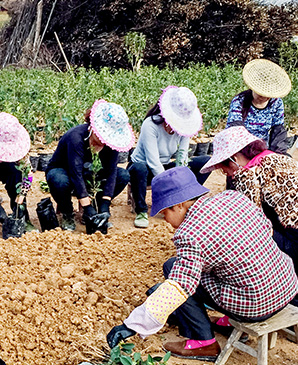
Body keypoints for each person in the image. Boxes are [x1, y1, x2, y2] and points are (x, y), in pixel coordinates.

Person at [107, 167, 298, 362]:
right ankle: (226, 322)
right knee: (203, 270)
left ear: (179, 205)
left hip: (255, 306)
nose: (165, 220)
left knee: (173, 268)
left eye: (165, 213)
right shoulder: (233, 198)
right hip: (286, 286)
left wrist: (132, 325)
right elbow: (266, 230)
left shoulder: (190, 234)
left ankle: (203, 342)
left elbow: (180, 286)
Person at [201, 126, 298, 275]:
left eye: (223, 168)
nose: (225, 173)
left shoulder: (247, 174)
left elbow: (250, 224)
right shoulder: (276, 158)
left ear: (234, 158)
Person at [128, 86, 211, 229]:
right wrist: (171, 186)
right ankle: (141, 210)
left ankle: (188, 200)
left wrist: (181, 183)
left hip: (165, 165)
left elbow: (182, 157)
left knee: (205, 162)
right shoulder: (151, 125)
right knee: (139, 169)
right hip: (144, 167)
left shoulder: (184, 129)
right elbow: (153, 161)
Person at [45, 100, 133, 232]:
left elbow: (111, 172)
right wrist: (87, 207)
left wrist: (105, 205)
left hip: (90, 174)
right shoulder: (76, 138)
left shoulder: (111, 145)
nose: (104, 141)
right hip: (67, 172)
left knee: (123, 175)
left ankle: (97, 211)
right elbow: (76, 173)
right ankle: (67, 213)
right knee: (59, 180)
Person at [226, 59, 292, 154]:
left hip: (261, 149)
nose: (264, 97)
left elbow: (278, 132)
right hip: (238, 148)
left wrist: (276, 154)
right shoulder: (239, 101)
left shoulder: (276, 103)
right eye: (260, 93)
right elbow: (235, 129)